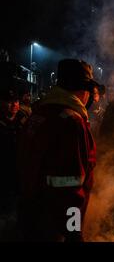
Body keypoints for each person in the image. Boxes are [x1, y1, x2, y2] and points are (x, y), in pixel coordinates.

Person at [17, 59, 100, 241]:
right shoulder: (72, 121)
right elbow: (71, 186)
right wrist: (73, 231)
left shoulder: (39, 113)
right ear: (83, 90)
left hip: (29, 214)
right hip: (54, 226)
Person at [0, 90, 22, 239]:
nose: (13, 104)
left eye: (16, 101)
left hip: (18, 176)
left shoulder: (24, 122)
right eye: (9, 101)